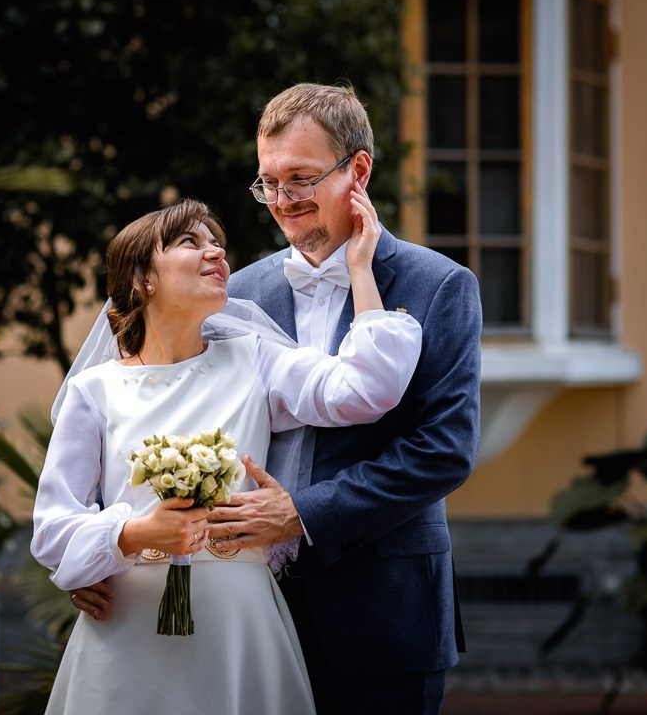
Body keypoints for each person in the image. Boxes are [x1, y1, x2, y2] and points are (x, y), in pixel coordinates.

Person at [70, 83, 482, 713]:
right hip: (236, 617)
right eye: (268, 183)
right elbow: (155, 406)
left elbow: (443, 451)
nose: (283, 202)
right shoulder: (234, 291)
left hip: (381, 610)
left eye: (301, 179)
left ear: (358, 171)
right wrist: (100, 553)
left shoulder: (440, 285)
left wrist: (302, 513)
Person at [31, 196, 421, 714]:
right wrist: (135, 534)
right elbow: (52, 529)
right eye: (189, 242)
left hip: (240, 624)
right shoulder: (94, 390)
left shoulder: (255, 359)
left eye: (217, 243)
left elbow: (367, 389)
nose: (216, 252)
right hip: (127, 628)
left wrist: (360, 269)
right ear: (143, 279)